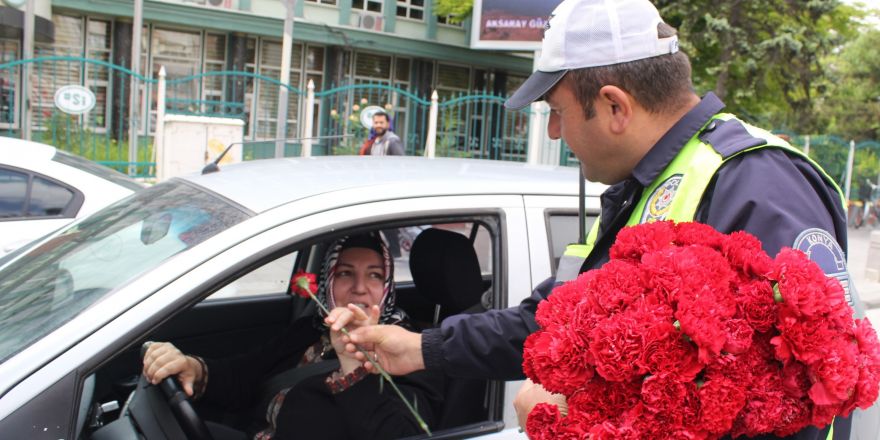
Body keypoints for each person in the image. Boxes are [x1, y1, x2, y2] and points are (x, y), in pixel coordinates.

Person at [346, 0, 865, 439]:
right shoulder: (643, 188)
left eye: (556, 110)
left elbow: (798, 401)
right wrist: (421, 349)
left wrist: (585, 417)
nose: (554, 134)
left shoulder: (757, 185)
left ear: (614, 106)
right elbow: (554, 321)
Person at [142, 232, 441, 440]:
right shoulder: (312, 330)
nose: (360, 288)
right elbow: (246, 375)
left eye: (374, 275)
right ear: (327, 281)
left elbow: (401, 435)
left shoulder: (408, 349)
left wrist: (354, 365)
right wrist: (194, 368)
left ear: (387, 285)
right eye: (346, 273)